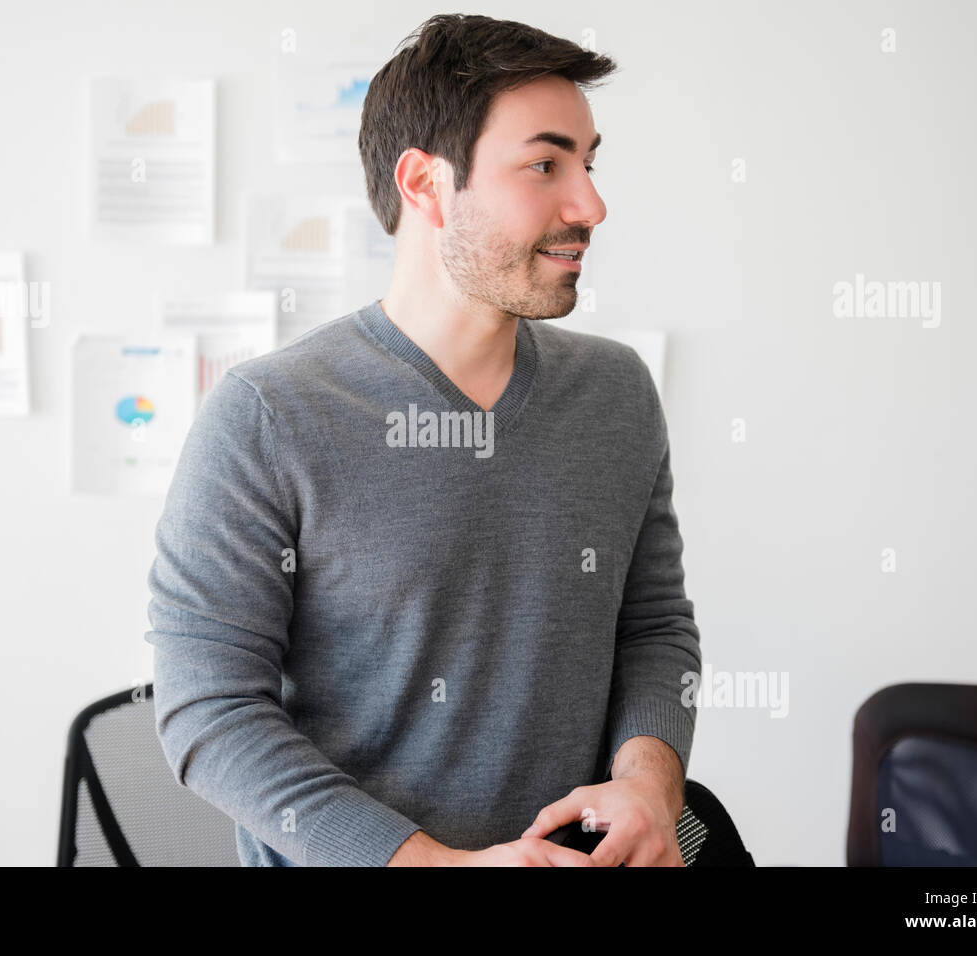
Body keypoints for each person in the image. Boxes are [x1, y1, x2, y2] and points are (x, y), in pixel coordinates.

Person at [145, 13, 701, 867]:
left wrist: (648, 785)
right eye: (545, 164)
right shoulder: (268, 415)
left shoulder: (616, 392)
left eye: (589, 164)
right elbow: (208, 712)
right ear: (425, 184)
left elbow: (653, 628)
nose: (590, 203)